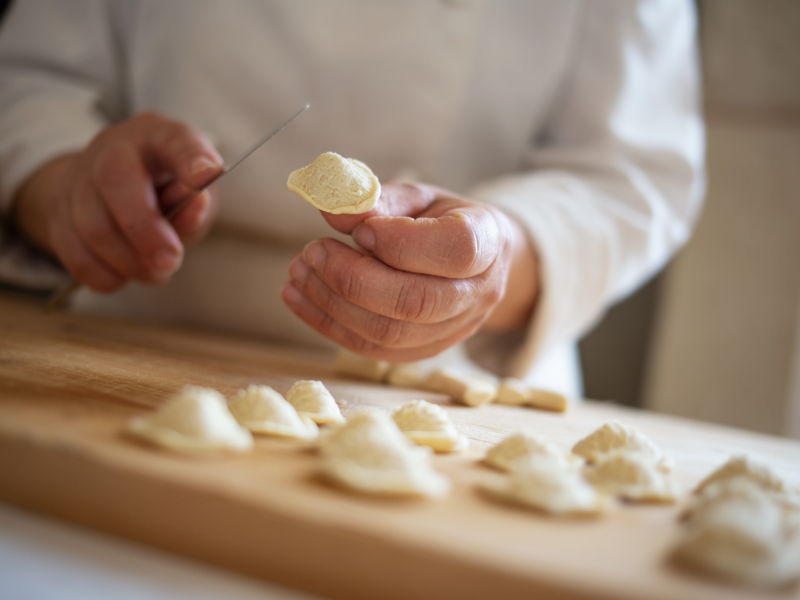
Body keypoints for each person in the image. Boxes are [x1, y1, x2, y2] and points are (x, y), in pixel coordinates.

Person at [0, 0, 704, 397]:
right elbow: (27, 81)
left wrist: (496, 256)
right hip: (124, 354)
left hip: (446, 385)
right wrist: (63, 185)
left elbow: (630, 173)